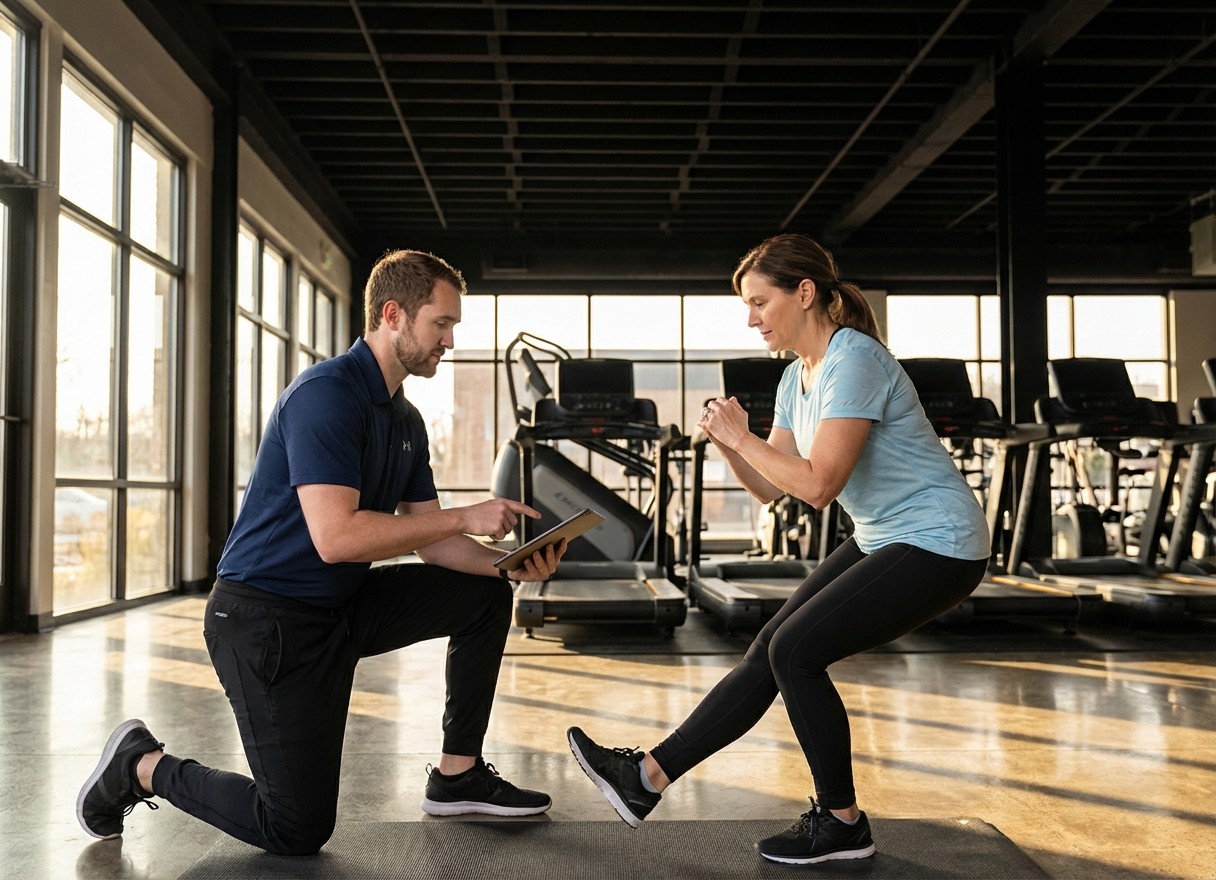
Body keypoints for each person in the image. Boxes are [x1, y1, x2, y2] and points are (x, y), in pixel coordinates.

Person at [77, 249, 567, 855]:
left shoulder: (407, 421)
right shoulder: (326, 395)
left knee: (483, 595)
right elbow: (336, 538)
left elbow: (432, 538)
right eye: (441, 324)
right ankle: (140, 765)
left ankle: (457, 776)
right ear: (393, 315)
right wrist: (469, 514)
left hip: (342, 607)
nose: (450, 340)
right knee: (296, 828)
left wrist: (510, 564)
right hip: (266, 621)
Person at [567, 233, 990, 865]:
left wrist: (744, 438)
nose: (751, 318)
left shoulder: (855, 360)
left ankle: (842, 822)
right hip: (883, 535)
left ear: (805, 293)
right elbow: (773, 488)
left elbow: (819, 486)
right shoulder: (797, 376)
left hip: (940, 540)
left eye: (760, 302)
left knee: (796, 650)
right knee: (771, 646)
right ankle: (646, 778)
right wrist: (729, 443)